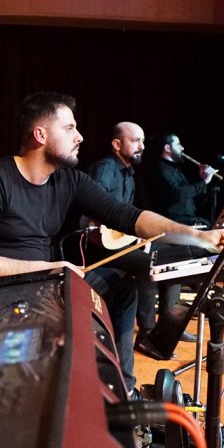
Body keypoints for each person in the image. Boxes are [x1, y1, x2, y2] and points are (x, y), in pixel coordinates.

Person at [0, 93, 224, 394]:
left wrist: (196, 235)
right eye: (69, 128)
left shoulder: (68, 180)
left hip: (48, 283)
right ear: (40, 134)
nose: (80, 137)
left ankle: (122, 392)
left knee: (122, 286)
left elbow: (129, 216)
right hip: (5, 295)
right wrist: (48, 268)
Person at [80, 122, 188, 348]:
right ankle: (147, 332)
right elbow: (93, 208)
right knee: (151, 264)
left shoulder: (129, 175)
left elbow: (126, 216)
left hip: (119, 242)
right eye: (135, 141)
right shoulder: (106, 168)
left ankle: (166, 326)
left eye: (143, 141)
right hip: (98, 246)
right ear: (116, 144)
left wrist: (136, 235)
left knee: (176, 255)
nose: (141, 146)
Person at [142, 132, 218, 227]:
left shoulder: (175, 169)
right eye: (178, 144)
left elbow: (189, 198)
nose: (182, 148)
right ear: (167, 148)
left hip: (187, 218)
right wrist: (204, 182)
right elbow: (179, 194)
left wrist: (202, 179)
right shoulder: (161, 169)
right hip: (174, 221)